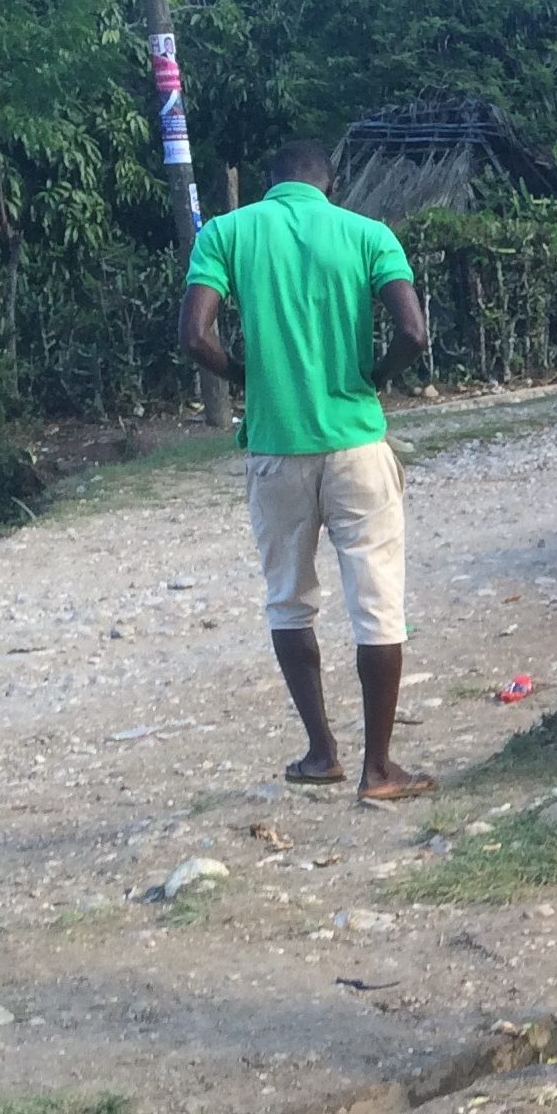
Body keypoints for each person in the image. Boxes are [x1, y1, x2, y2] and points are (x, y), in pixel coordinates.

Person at [179, 140, 433, 800]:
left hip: (274, 449)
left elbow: (193, 335)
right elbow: (412, 333)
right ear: (332, 184)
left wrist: (243, 375)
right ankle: (380, 768)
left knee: (289, 600)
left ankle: (322, 752)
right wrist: (373, 378)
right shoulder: (368, 233)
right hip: (357, 446)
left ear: (269, 184)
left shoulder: (226, 234)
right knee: (377, 605)